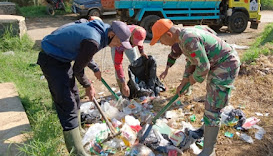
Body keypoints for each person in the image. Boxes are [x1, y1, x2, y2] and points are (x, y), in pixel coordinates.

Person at [37, 19, 131, 156]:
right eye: (118, 42)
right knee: (67, 103)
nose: (118, 46)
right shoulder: (94, 39)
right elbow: (78, 68)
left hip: (62, 58)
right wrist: (88, 85)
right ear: (111, 34)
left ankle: (79, 132)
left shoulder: (102, 31)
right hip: (51, 59)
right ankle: (76, 151)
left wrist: (95, 68)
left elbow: (85, 53)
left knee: (75, 96)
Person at [150, 19, 240, 156]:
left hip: (225, 65)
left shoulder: (188, 38)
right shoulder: (183, 38)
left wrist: (191, 80)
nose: (161, 43)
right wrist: (184, 81)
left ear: (168, 35)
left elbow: (203, 67)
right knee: (212, 104)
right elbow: (192, 61)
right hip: (218, 65)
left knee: (213, 108)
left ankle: (208, 151)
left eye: (160, 40)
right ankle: (206, 130)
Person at [111, 25, 147, 97]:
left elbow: (140, 41)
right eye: (135, 42)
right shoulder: (120, 42)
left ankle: (137, 86)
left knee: (135, 63)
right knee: (118, 69)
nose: (135, 45)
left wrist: (142, 51)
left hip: (129, 40)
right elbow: (118, 64)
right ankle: (123, 90)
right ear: (131, 36)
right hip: (119, 44)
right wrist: (124, 84)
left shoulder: (139, 31)